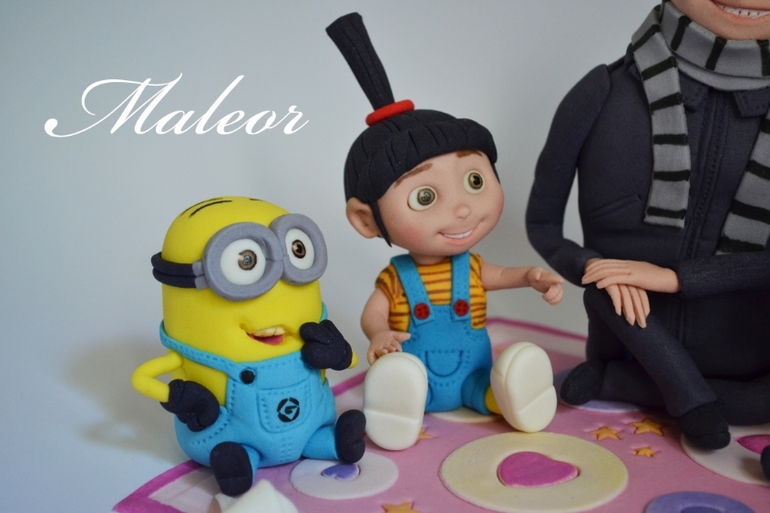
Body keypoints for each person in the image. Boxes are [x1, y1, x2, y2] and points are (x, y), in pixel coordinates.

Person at [526, 0, 770, 465]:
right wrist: (592, 267)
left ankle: (628, 387)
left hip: (753, 371)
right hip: (625, 339)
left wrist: (678, 278)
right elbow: (542, 223)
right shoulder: (601, 92)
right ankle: (674, 392)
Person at [327, 12, 564, 451]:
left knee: (484, 388)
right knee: (404, 378)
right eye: (424, 196)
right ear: (366, 219)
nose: (461, 208)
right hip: (414, 374)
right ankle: (397, 406)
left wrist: (530, 276)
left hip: (471, 372)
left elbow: (499, 276)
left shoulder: (471, 267)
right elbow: (373, 314)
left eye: (474, 180)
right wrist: (379, 334)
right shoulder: (396, 278)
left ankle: (510, 395)